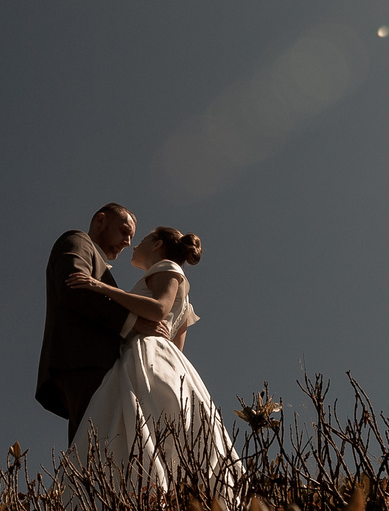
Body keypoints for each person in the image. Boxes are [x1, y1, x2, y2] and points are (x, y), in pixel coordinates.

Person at [62, 225, 242, 495]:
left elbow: (158, 309)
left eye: (143, 239)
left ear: (157, 244)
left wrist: (100, 287)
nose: (134, 244)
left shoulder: (167, 268)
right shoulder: (186, 301)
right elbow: (176, 345)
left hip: (146, 353)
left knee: (134, 422)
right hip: (165, 358)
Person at [36, 203, 142, 443]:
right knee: (95, 445)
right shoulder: (77, 240)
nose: (127, 242)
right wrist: (132, 324)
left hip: (95, 367)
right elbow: (73, 288)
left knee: (98, 446)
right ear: (101, 221)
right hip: (85, 363)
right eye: (124, 231)